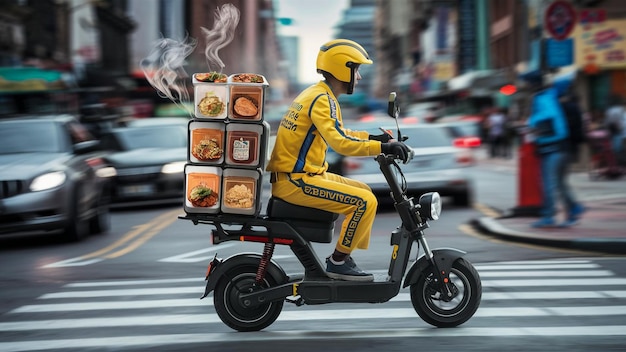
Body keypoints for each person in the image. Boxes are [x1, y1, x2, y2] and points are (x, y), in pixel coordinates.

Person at [266, 39, 410, 281]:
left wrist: (371, 137)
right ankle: (338, 261)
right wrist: (382, 146)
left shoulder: (319, 94)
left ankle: (342, 257)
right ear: (343, 68)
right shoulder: (322, 99)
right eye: (357, 70)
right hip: (295, 181)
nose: (359, 77)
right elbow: (340, 143)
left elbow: (340, 132)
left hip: (303, 176)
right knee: (363, 201)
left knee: (364, 191)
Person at [528, 85, 585, 228]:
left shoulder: (552, 107)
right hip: (565, 149)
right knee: (560, 183)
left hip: (554, 150)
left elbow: (542, 127)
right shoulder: (568, 107)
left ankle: (549, 215)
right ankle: (573, 209)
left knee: (550, 183)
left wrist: (534, 127)